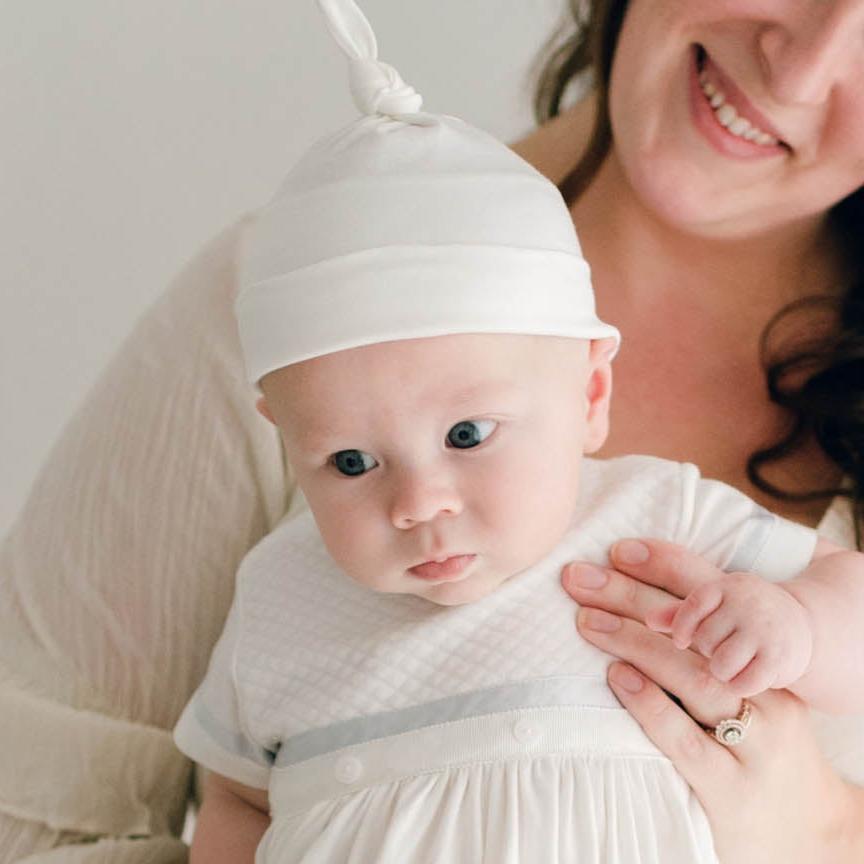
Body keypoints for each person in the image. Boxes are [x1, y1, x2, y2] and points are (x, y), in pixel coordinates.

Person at [2, 0, 863, 862]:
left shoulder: (656, 513)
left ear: (592, 391)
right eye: (348, 461)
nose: (417, 502)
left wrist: (821, 803)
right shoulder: (282, 563)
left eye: (467, 435)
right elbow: (109, 810)